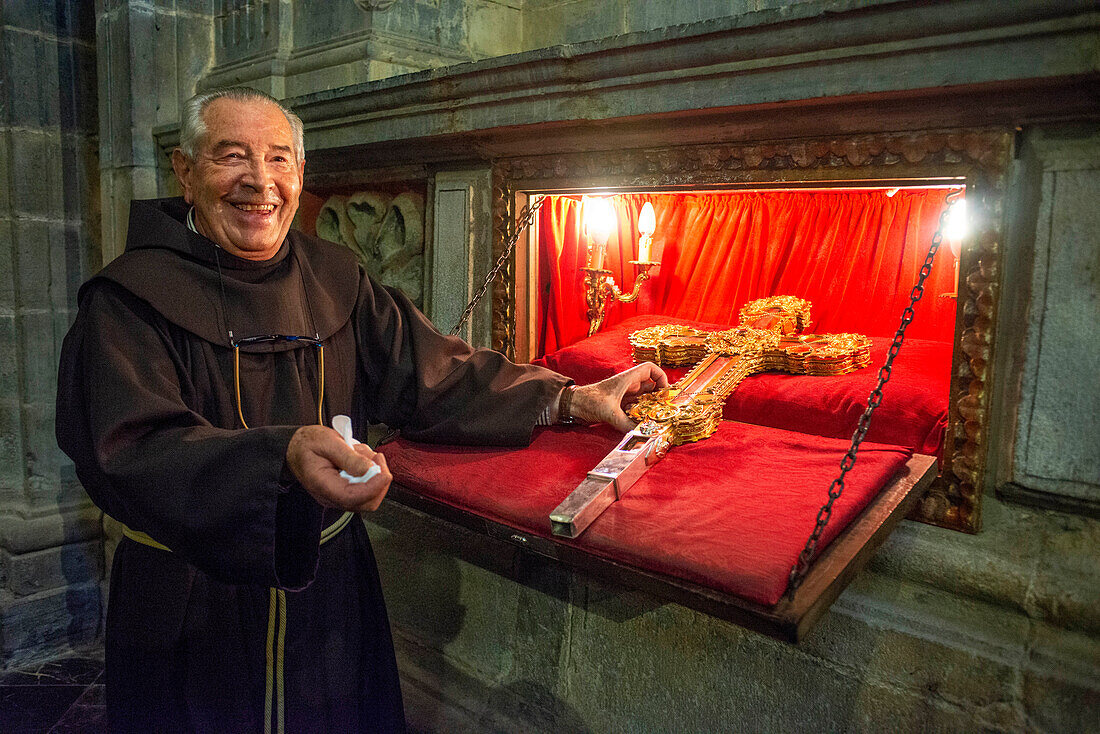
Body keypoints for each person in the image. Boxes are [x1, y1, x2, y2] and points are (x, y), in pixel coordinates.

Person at [55, 86, 667, 733]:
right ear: (185, 171)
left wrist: (570, 396)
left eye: (280, 160)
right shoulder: (127, 300)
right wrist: (280, 460)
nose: (260, 181)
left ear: (299, 173)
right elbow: (130, 451)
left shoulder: (336, 278)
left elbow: (435, 372)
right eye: (231, 157)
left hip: (329, 593)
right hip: (191, 608)